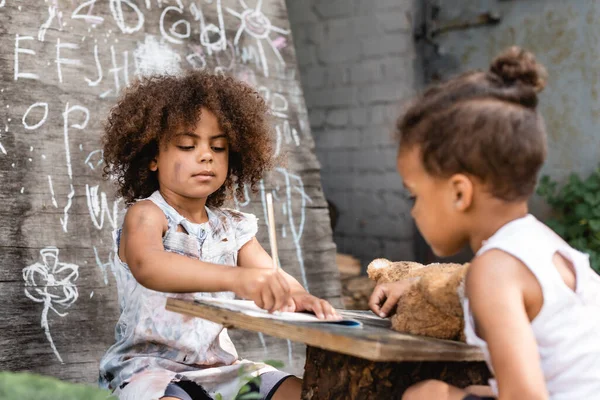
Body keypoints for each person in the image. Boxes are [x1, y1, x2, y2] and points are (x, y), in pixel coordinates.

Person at [369, 46, 600, 400]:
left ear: (460, 193)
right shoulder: (543, 245)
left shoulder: (493, 272)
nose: (413, 212)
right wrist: (414, 284)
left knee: (425, 396)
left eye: (414, 196)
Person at [98, 71, 340, 400]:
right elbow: (149, 264)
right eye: (187, 145)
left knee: (303, 394)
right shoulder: (147, 215)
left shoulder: (232, 227)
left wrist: (297, 295)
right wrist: (238, 279)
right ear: (153, 157)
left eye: (218, 146)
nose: (206, 155)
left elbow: (270, 273)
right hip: (149, 371)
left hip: (221, 369)